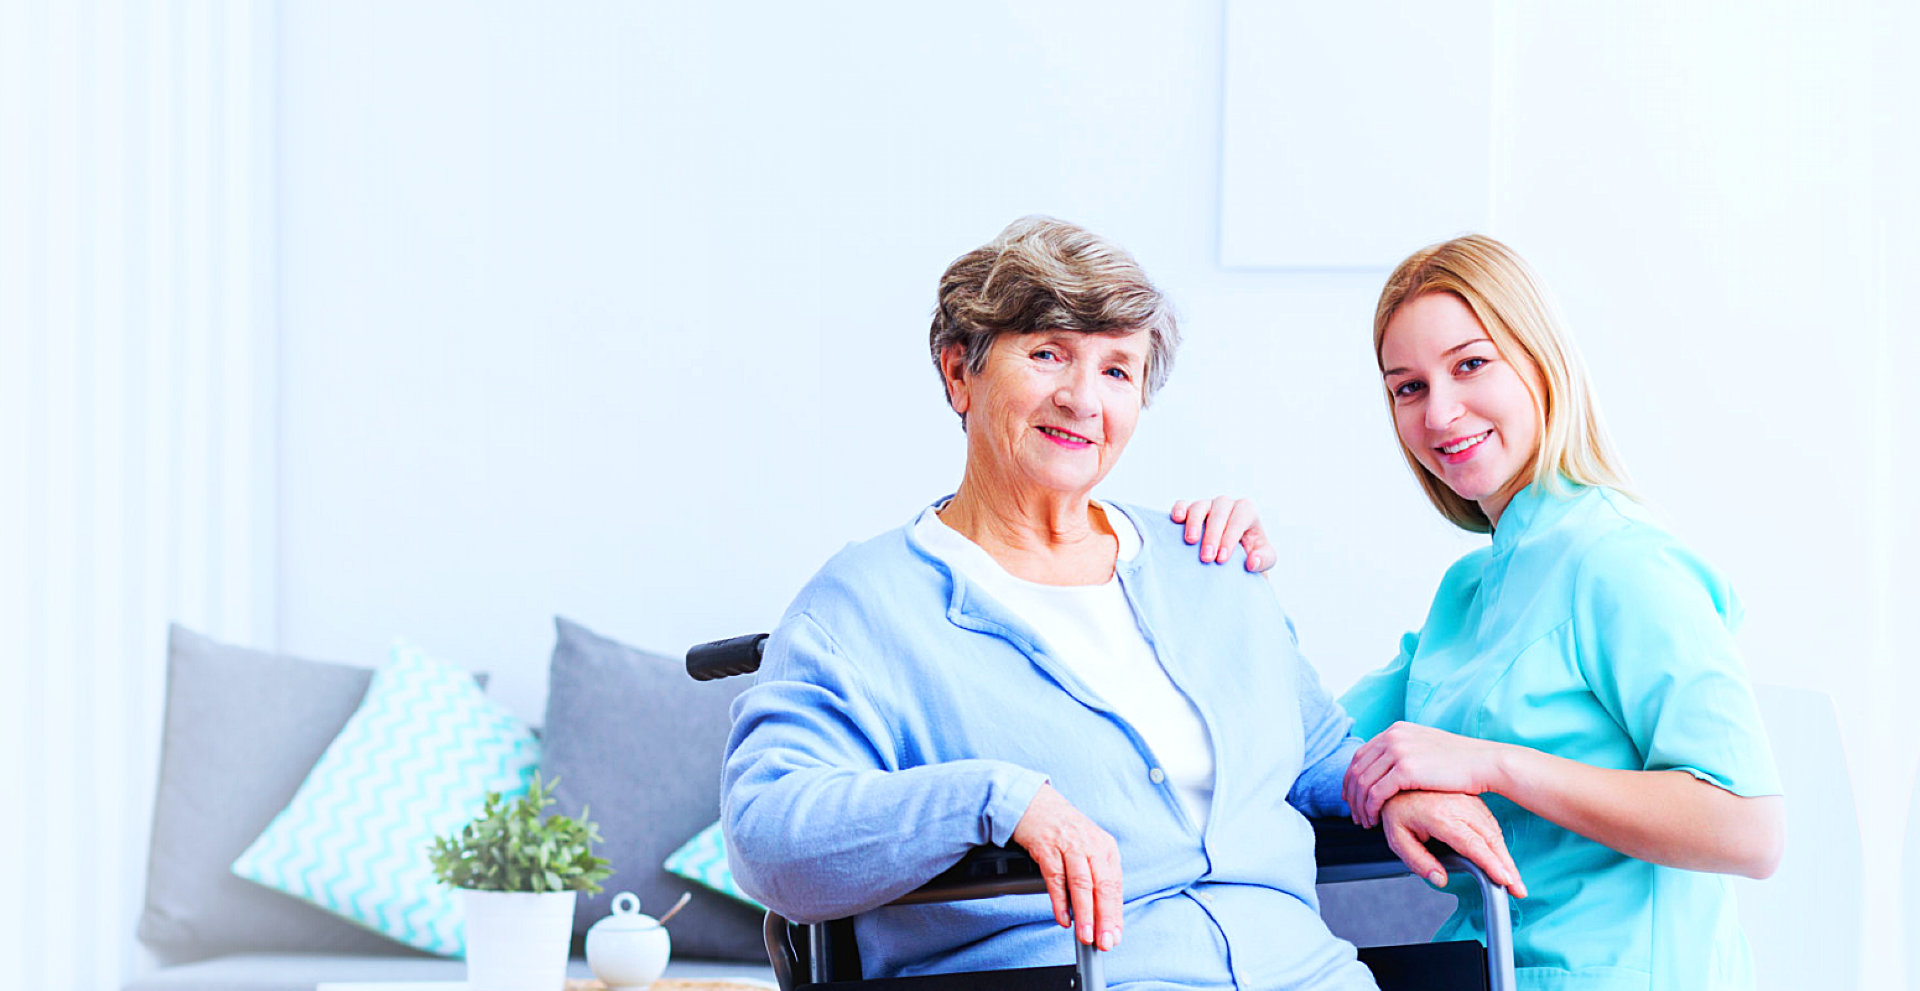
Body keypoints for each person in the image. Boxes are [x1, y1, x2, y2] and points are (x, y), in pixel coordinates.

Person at [722, 217, 1521, 990]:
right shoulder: (863, 608)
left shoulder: (1205, 561)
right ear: (958, 369)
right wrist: (995, 799)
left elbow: (1311, 753)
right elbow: (768, 833)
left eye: (1116, 370)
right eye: (1046, 354)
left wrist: (1390, 785)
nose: (1082, 398)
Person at [1174, 234, 1784, 990]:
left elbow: (1749, 828)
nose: (1441, 412)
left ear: (1538, 358)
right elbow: (1305, 749)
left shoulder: (1622, 561)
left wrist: (1495, 765)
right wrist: (1225, 580)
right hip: (1484, 964)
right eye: (1409, 387)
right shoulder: (1469, 592)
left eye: (1470, 364)